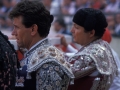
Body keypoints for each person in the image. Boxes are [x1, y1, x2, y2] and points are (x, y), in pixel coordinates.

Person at [9, 0, 74, 90]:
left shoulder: (47, 63)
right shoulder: (40, 55)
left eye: (17, 27)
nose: (13, 33)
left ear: (33, 29)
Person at [57, 8, 118, 90]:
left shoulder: (91, 55)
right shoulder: (104, 45)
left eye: (77, 27)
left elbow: (60, 72)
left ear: (91, 33)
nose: (72, 30)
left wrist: (53, 52)